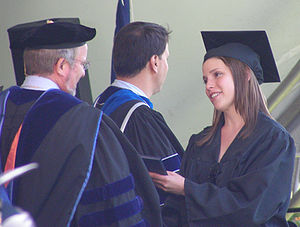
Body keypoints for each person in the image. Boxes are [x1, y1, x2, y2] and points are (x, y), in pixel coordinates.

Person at [0, 19, 162, 227]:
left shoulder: (4, 104)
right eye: (82, 64)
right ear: (61, 66)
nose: (84, 72)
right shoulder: (85, 122)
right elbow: (115, 210)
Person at [150, 31, 296, 226]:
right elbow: (177, 210)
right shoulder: (201, 142)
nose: (209, 86)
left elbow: (250, 209)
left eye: (217, 75)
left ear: (245, 74)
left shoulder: (274, 140)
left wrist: (187, 188)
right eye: (205, 79)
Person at [94, 21, 184, 204]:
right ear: (155, 63)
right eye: (166, 59)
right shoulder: (140, 116)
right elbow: (172, 182)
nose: (167, 66)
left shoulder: (99, 102)